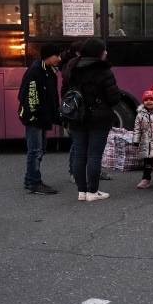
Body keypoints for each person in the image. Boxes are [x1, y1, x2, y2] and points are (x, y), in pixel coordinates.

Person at [62, 38, 122, 202]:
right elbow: (114, 98)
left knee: (79, 155)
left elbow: (65, 94)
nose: (106, 53)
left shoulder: (71, 68)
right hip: (99, 118)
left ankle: (81, 191)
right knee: (94, 155)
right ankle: (93, 191)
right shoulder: (104, 71)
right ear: (98, 52)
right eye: (104, 50)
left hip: (76, 118)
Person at [18, 43, 62, 195]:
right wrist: (35, 114)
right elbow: (28, 96)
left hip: (42, 117)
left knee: (40, 150)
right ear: (48, 56)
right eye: (57, 55)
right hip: (35, 118)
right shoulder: (35, 71)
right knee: (35, 151)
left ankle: (29, 179)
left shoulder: (48, 71)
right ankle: (34, 183)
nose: (59, 59)